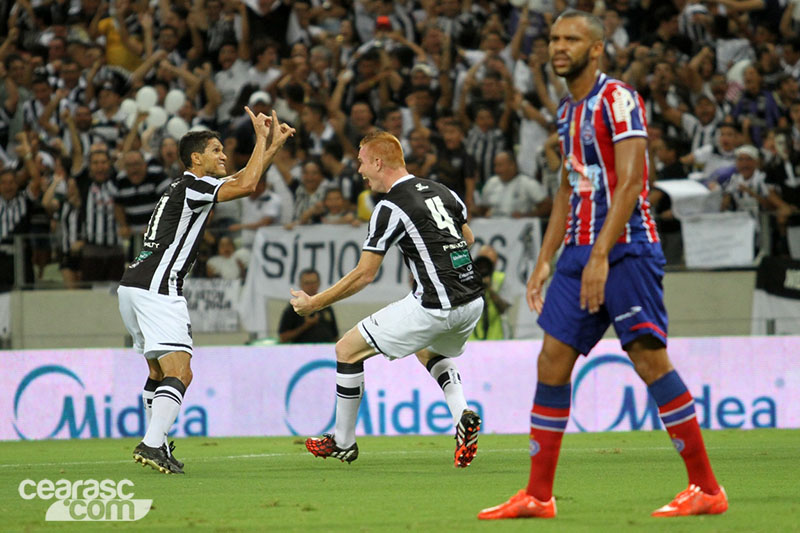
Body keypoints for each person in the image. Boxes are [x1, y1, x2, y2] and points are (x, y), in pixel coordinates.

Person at [478, 11, 727, 520]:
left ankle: (706, 489)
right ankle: (538, 496)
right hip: (577, 253)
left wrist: (600, 256)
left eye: (571, 39)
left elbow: (632, 182)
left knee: (648, 358)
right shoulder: (568, 111)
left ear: (597, 48)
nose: (558, 46)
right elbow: (569, 188)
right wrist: (545, 259)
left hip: (627, 249)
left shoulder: (618, 99)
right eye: (553, 39)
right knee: (551, 360)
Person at [290, 131, 485, 467]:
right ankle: (462, 415)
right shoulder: (443, 191)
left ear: (378, 162)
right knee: (429, 349)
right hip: (471, 303)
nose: (360, 171)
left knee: (346, 349)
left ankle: (343, 441)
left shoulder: (390, 206)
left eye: (362, 162)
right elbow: (466, 238)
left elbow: (366, 274)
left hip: (435, 305)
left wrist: (315, 303)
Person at [117, 108, 294, 474]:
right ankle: (152, 444)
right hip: (159, 288)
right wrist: (260, 139)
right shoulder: (195, 186)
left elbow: (246, 177)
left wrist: (272, 146)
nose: (224, 156)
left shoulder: (183, 189)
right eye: (216, 150)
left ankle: (158, 443)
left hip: (133, 286)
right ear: (196, 159)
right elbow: (245, 186)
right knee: (181, 373)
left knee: (157, 372)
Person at [278, 268, 339, 343]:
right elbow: (283, 337)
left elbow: (335, 336)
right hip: (301, 351)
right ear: (300, 285)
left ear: (319, 283)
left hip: (325, 350)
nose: (311, 286)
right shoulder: (295, 307)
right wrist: (305, 326)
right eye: (307, 283)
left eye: (313, 282)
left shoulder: (326, 305)